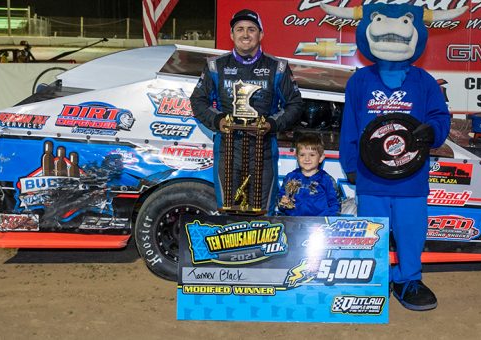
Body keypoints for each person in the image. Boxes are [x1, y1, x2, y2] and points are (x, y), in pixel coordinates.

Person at [321, 3, 465, 311]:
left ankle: (408, 279)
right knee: (372, 230)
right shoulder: (359, 81)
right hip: (371, 175)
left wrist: (433, 132)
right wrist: (350, 165)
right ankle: (375, 279)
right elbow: (350, 125)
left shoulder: (424, 81)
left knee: (411, 230)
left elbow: (440, 116)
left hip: (411, 176)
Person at [190, 8, 303, 214]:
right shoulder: (216, 66)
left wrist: (272, 124)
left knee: (263, 211)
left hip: (264, 149)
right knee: (228, 210)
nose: (245, 34)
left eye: (251, 29)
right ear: (232, 35)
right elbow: (198, 101)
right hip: (227, 149)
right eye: (240, 29)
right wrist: (218, 121)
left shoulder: (277, 67)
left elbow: (295, 104)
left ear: (261, 35)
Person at [277, 133, 340, 216]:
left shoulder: (326, 179)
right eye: (302, 155)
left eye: (312, 155)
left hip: (319, 225)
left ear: (321, 157)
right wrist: (282, 203)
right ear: (296, 156)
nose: (307, 159)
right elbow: (281, 200)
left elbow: (335, 205)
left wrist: (328, 223)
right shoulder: (290, 177)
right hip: (293, 223)